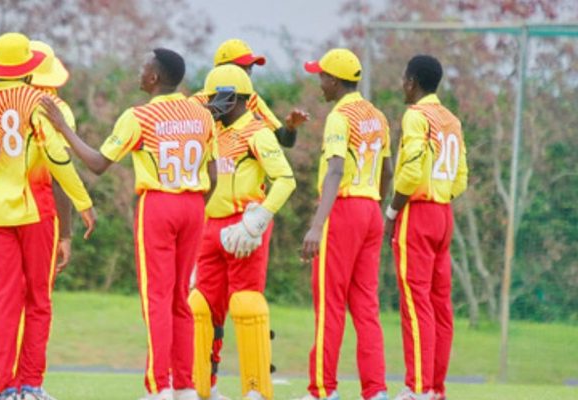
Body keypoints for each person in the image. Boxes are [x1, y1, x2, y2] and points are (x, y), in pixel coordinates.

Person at [39, 48, 215, 400]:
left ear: (154, 77)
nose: (139, 72)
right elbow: (213, 172)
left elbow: (98, 164)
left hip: (159, 205)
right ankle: (184, 387)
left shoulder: (139, 116)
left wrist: (62, 128)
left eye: (143, 67)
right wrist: (194, 205)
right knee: (181, 298)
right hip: (195, 205)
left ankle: (158, 387)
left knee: (157, 298)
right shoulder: (202, 114)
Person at [0, 32, 96, 400]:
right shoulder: (36, 101)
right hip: (35, 210)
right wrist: (83, 201)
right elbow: (57, 158)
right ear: (29, 68)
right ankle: (30, 385)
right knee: (38, 300)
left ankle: (3, 389)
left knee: (2, 301)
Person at [189, 64, 296, 400]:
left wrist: (259, 219)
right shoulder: (211, 131)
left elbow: (285, 179)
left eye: (213, 98)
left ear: (230, 97)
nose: (208, 105)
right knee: (201, 305)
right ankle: (202, 387)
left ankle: (255, 389)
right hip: (209, 226)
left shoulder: (257, 132)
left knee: (246, 303)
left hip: (244, 227)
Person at [0, 40, 88, 274]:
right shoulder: (52, 108)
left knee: (3, 290)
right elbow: (57, 173)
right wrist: (66, 232)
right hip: (37, 208)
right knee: (38, 290)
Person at [298, 48, 392, 400]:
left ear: (335, 80)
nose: (320, 82)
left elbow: (335, 170)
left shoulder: (339, 117)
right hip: (370, 210)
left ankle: (323, 390)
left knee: (330, 303)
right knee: (366, 306)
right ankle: (376, 391)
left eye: (322, 76)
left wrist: (316, 225)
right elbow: (387, 170)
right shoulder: (377, 116)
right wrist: (375, 210)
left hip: (344, 210)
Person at [384, 55, 468, 400]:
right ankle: (435, 388)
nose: (402, 85)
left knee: (416, 304)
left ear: (412, 82)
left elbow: (411, 169)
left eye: (404, 79)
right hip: (444, 213)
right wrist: (441, 193)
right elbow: (461, 177)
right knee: (440, 305)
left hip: (417, 213)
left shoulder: (416, 116)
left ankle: (417, 388)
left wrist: (392, 211)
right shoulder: (451, 120)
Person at [191, 39, 309, 148]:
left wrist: (290, 128)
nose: (247, 73)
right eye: (242, 68)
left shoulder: (251, 99)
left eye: (250, 68)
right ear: (221, 68)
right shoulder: (196, 102)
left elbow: (284, 140)